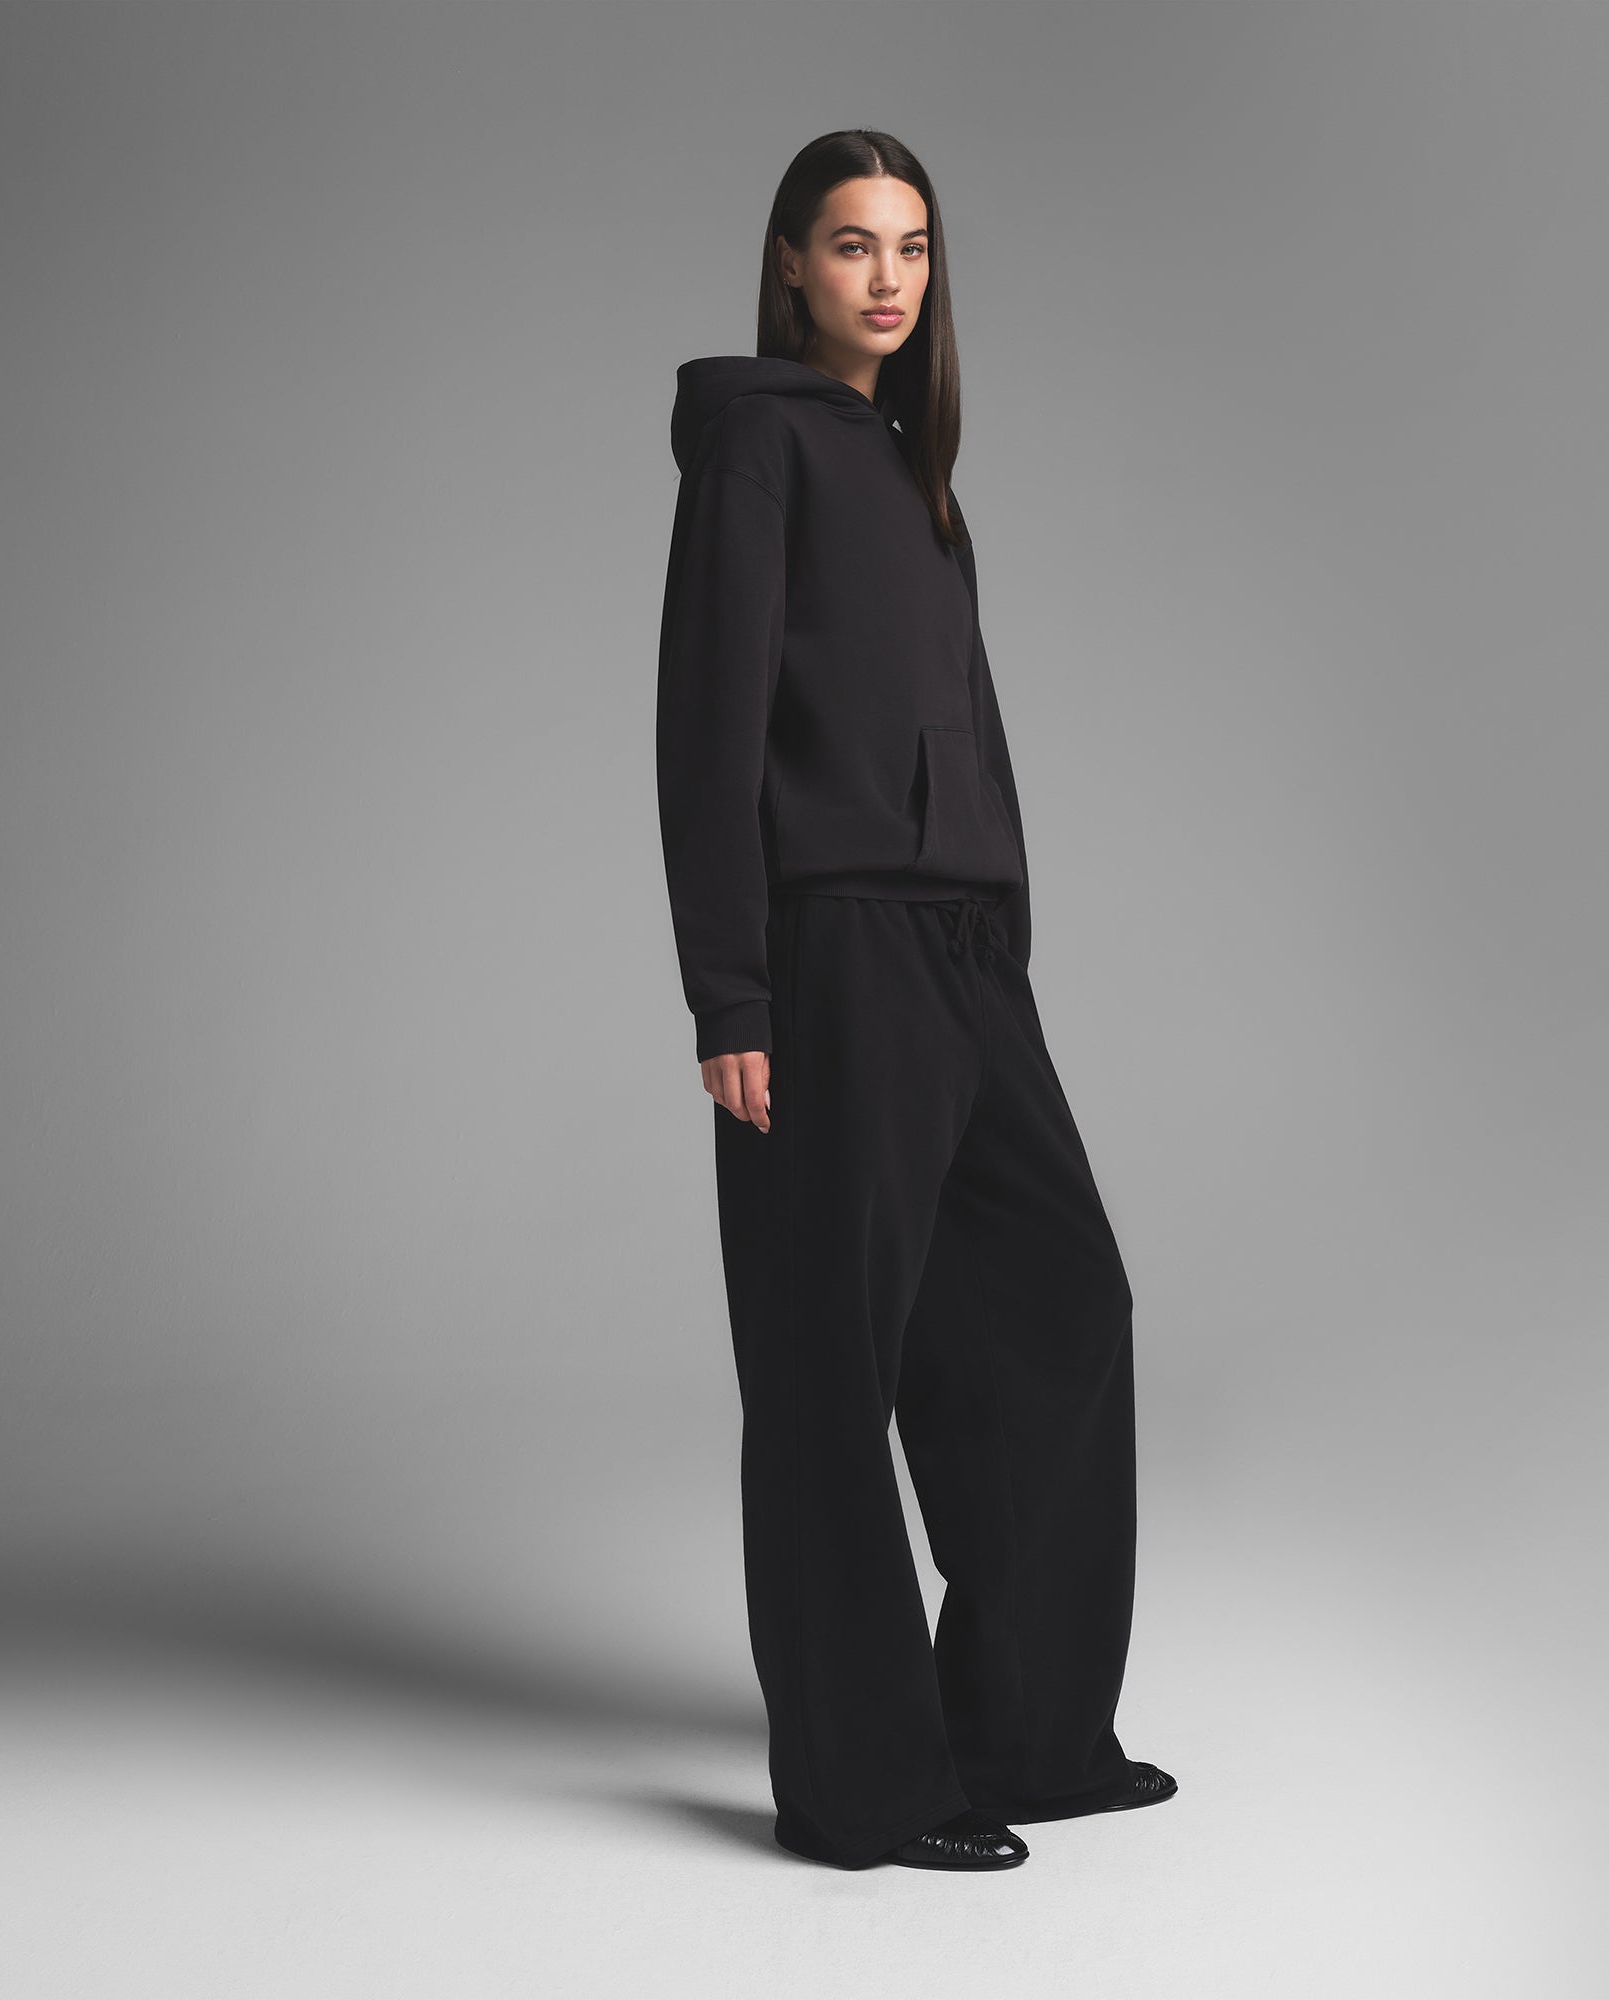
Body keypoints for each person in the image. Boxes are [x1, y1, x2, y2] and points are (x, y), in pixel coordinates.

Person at [654, 128, 1175, 1873]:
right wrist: (731, 989)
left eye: (915, 247)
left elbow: (970, 723)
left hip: (961, 957)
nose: (888, 277)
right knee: (829, 1361)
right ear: (791, 264)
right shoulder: (757, 443)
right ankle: (862, 1791)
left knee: (1062, 1305)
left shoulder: (912, 472)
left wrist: (1004, 930)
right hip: (833, 951)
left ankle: (1027, 1731)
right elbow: (709, 723)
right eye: (853, 244)